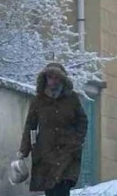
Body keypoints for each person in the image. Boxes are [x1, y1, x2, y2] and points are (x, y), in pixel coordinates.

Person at [19, 63, 88, 196]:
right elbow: (30, 126)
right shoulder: (38, 100)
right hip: (46, 152)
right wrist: (24, 150)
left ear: (62, 79)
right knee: (50, 189)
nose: (53, 81)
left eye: (56, 78)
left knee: (63, 187)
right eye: (50, 77)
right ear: (45, 79)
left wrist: (77, 140)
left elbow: (82, 120)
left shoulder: (71, 98)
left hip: (68, 152)